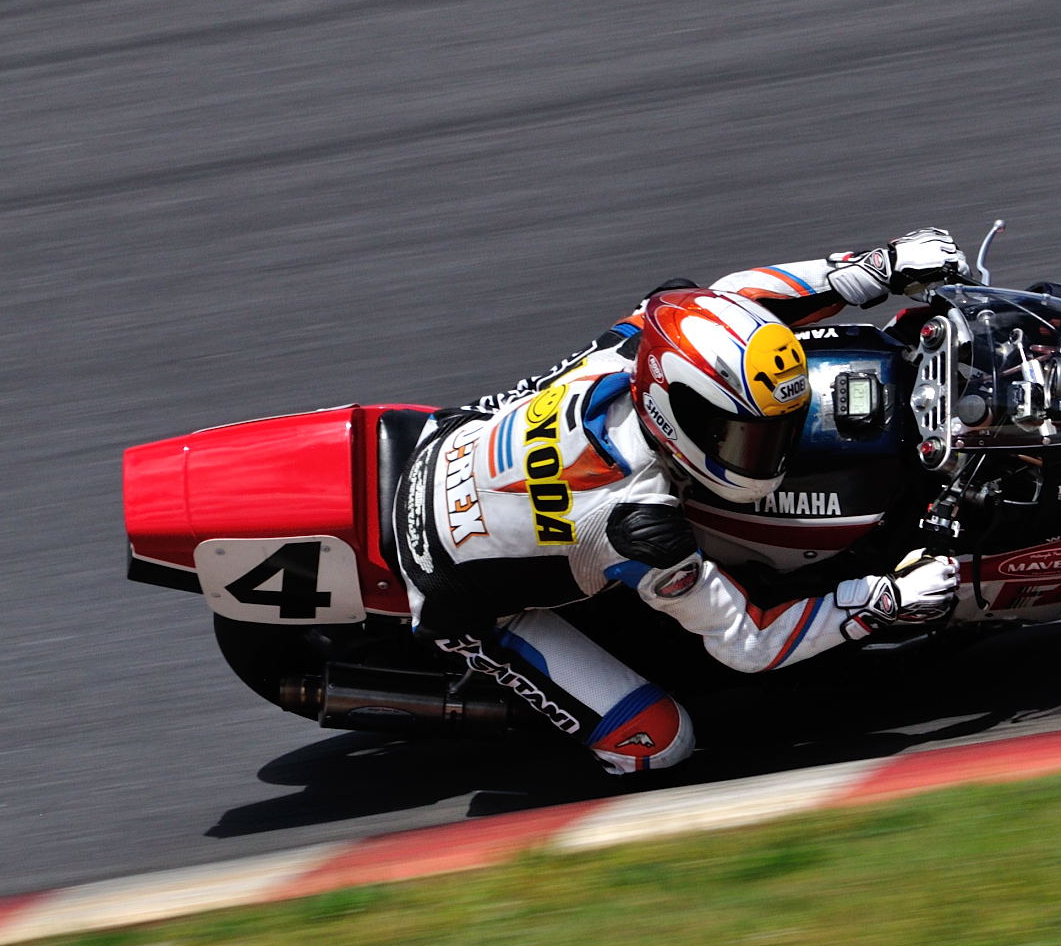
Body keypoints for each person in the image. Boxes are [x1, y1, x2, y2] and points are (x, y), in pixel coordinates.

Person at [393, 228, 970, 774]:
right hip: (447, 583)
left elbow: (731, 298)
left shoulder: (636, 344)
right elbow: (749, 643)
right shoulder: (642, 526)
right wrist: (885, 600)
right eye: (749, 439)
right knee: (658, 744)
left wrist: (878, 267)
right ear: (678, 416)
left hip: (451, 441)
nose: (777, 453)